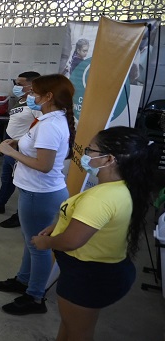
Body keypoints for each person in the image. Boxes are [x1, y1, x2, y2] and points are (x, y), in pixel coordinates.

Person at [31, 127, 156, 341]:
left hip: (88, 276)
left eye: (91, 149)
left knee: (79, 332)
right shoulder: (120, 187)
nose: (85, 154)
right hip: (102, 272)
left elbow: (72, 241)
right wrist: (63, 223)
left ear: (109, 159)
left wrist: (46, 243)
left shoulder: (101, 198)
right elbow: (94, 223)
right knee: (72, 325)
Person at [0, 74, 75, 315]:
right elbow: (38, 147)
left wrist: (10, 151)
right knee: (31, 241)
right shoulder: (48, 119)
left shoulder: (50, 125)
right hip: (33, 190)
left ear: (49, 96)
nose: (30, 96)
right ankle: (23, 280)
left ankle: (35, 296)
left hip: (40, 193)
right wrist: (18, 142)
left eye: (35, 93)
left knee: (39, 246)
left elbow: (44, 165)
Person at [0, 71, 42, 228]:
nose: (16, 87)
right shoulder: (22, 100)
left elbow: (39, 128)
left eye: (20, 84)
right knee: (7, 178)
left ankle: (21, 215)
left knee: (23, 184)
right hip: (11, 146)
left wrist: (18, 144)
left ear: (31, 86)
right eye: (16, 83)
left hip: (21, 149)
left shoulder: (36, 104)